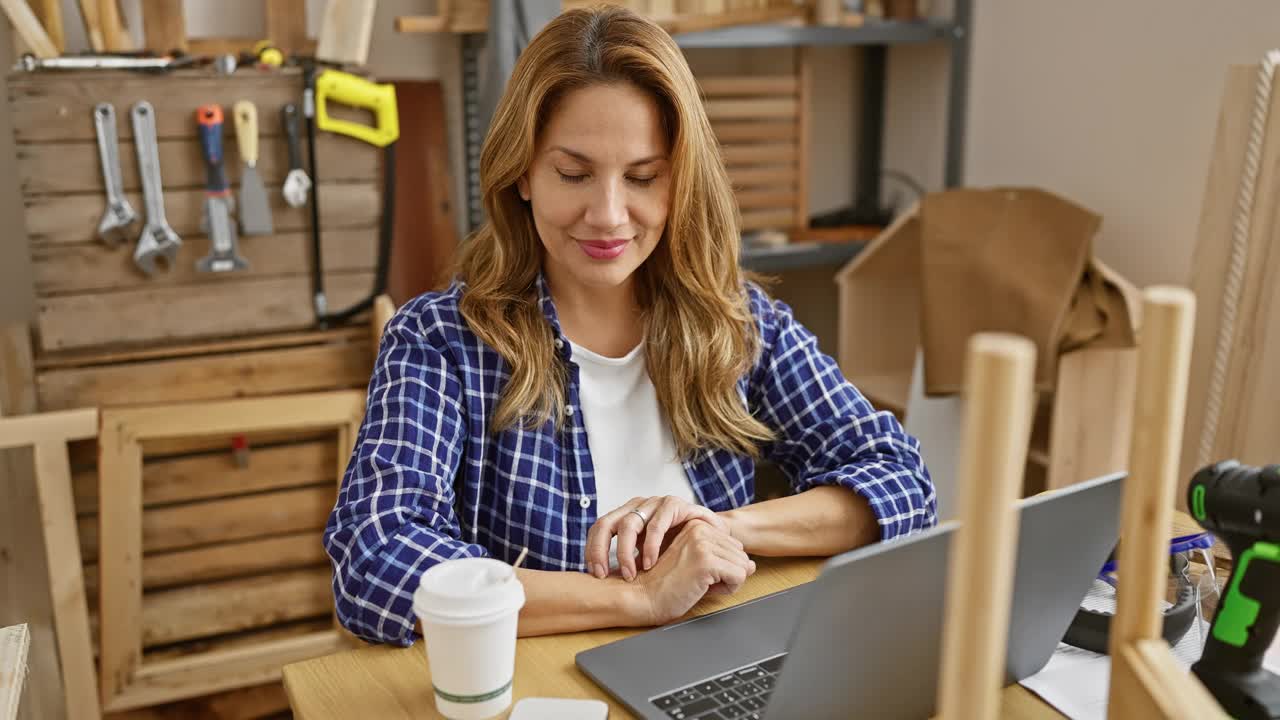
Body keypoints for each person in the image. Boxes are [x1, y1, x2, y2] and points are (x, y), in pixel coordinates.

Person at [324, 5, 935, 647]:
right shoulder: (440, 343)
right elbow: (376, 561)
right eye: (574, 173)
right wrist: (638, 597)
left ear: (680, 182)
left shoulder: (741, 325)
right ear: (522, 172)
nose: (609, 215)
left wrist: (714, 529)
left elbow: (901, 483)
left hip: (709, 669)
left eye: (643, 177)